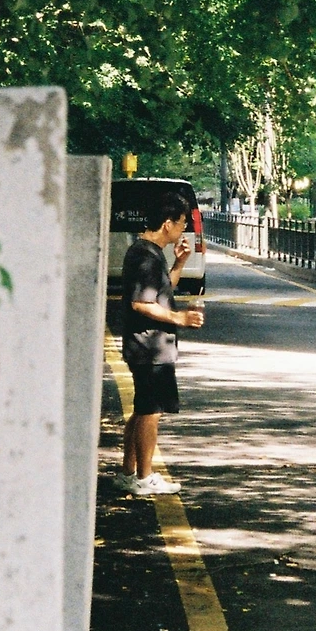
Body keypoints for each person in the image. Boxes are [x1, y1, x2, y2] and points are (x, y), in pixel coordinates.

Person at [117, 190, 205, 497]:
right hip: (149, 347)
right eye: (181, 224)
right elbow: (141, 303)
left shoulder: (148, 252)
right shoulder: (144, 256)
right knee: (150, 412)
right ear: (167, 223)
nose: (183, 230)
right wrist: (179, 318)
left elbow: (162, 288)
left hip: (148, 345)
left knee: (142, 409)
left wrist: (180, 262)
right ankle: (145, 477)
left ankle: (129, 472)